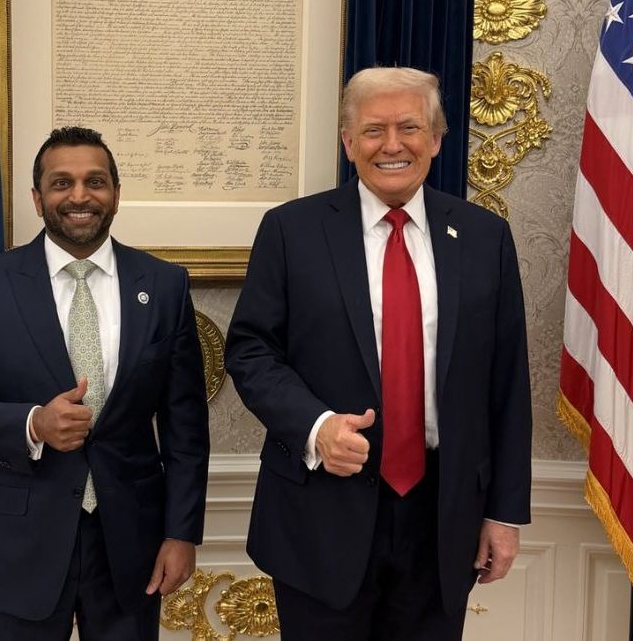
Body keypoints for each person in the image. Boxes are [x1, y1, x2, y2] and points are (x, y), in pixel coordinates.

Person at [225, 67, 532, 640]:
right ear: (348, 143)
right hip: (321, 512)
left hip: (444, 519)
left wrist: (504, 512)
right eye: (373, 130)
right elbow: (250, 351)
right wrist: (316, 427)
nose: (392, 145)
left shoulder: (485, 237)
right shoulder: (292, 231)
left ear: (437, 138)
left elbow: (508, 381)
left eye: (410, 127)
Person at [0, 126, 210, 640]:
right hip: (22, 545)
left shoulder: (165, 285)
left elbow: (186, 425)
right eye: (61, 183)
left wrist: (181, 533)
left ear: (116, 195)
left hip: (132, 548)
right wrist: (33, 423)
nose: (79, 196)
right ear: (38, 200)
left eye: (94, 181)